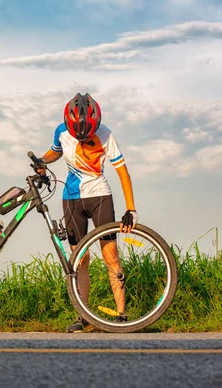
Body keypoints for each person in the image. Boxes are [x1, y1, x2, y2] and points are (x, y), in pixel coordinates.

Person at [37, 93, 138, 332]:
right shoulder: (61, 130)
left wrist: (131, 209)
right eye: (77, 135)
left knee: (111, 257)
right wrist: (43, 160)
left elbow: (123, 172)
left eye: (87, 135)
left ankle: (121, 314)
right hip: (71, 200)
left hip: (100, 197)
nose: (82, 139)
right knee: (80, 260)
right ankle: (82, 316)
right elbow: (56, 151)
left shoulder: (106, 134)